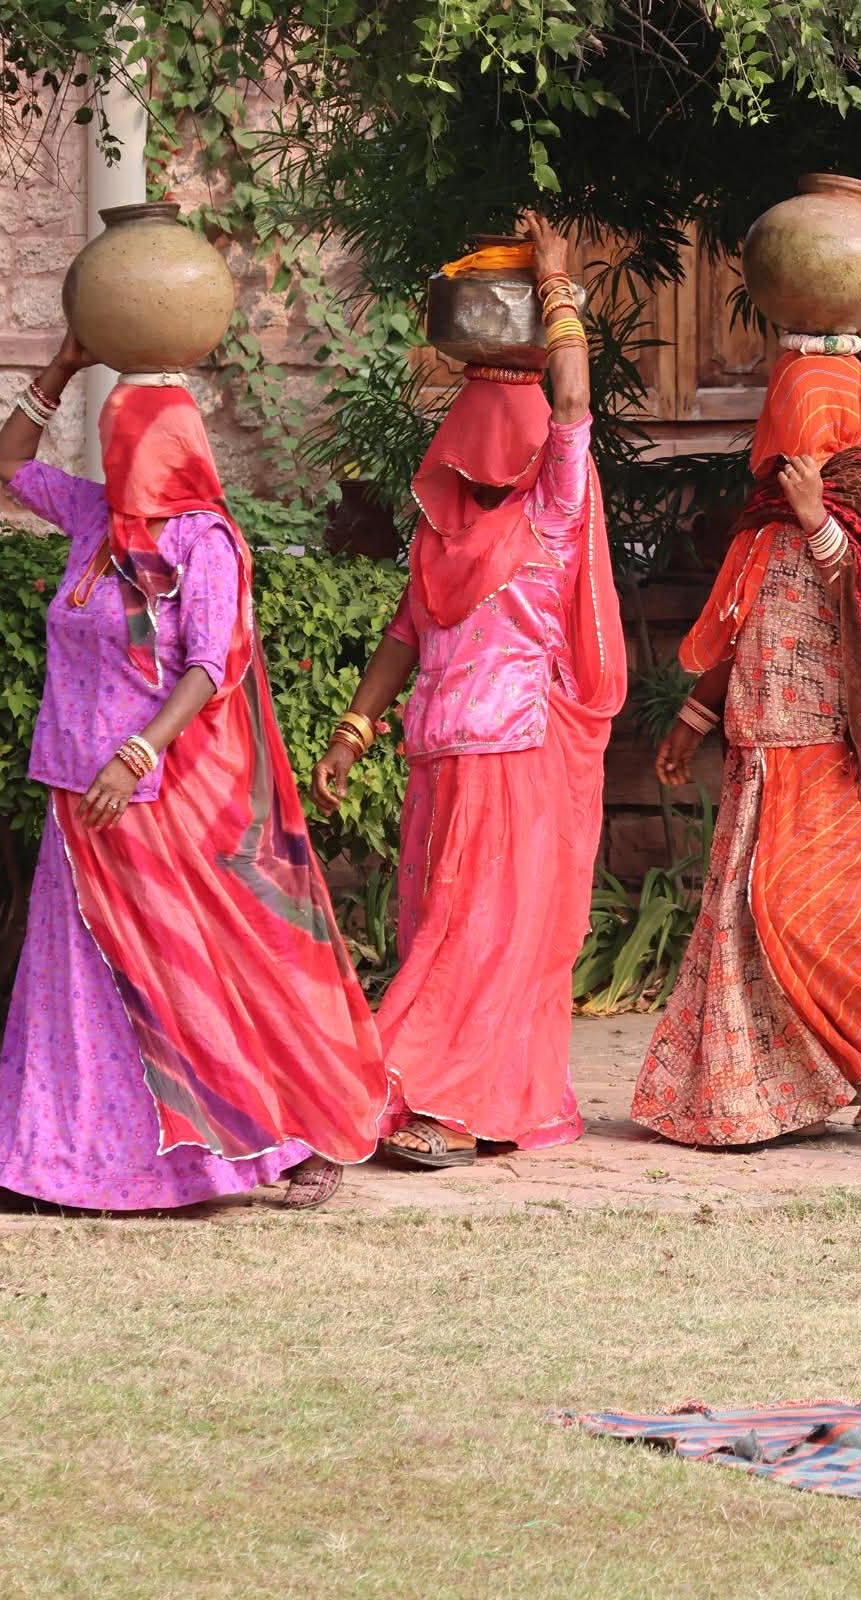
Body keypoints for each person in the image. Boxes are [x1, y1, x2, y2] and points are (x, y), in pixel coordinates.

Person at [0, 333, 388, 1212]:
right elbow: (4, 459)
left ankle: (239, 1146)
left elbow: (208, 667)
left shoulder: (206, 545)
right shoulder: (94, 519)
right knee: (76, 980)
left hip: (153, 793)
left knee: (183, 975)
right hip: (73, 786)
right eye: (110, 443)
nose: (114, 459)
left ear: (168, 450)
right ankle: (52, 1162)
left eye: (127, 444)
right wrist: (63, 366)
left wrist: (136, 753)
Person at [312, 211, 626, 1168]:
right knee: (447, 931)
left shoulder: (555, 512)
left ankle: (434, 1095)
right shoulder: (441, 536)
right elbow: (405, 633)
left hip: (518, 756)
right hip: (441, 754)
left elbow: (571, 409)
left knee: (487, 933)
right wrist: (354, 730)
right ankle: (477, 1099)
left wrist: (560, 285)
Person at [630, 345, 861, 1148]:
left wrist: (818, 516)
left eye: (796, 405)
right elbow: (740, 620)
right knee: (745, 919)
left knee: (806, 909)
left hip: (843, 745)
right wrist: (695, 718)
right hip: (761, 742)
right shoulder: (764, 508)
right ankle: (753, 1095)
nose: (783, 422)